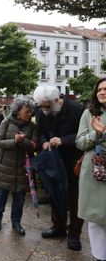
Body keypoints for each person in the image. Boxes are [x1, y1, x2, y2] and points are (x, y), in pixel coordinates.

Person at [33, 85, 84, 251]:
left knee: (74, 198)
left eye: (46, 106)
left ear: (57, 100)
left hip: (72, 160)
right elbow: (40, 131)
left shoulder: (76, 109)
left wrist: (63, 140)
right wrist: (44, 142)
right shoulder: (42, 110)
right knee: (54, 194)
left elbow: (82, 134)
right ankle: (58, 227)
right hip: (53, 160)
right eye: (41, 106)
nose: (43, 110)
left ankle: (74, 234)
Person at [0, 97, 38, 236]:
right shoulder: (6, 122)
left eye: (31, 111)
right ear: (18, 111)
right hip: (5, 167)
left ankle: (16, 222)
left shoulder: (33, 126)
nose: (30, 114)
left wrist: (23, 141)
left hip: (23, 169)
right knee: (1, 196)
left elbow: (34, 146)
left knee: (19, 199)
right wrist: (14, 141)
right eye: (27, 111)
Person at [75, 77, 106, 261]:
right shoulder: (89, 113)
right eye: (100, 89)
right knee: (94, 217)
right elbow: (80, 142)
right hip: (93, 170)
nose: (102, 92)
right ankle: (98, 256)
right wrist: (97, 132)